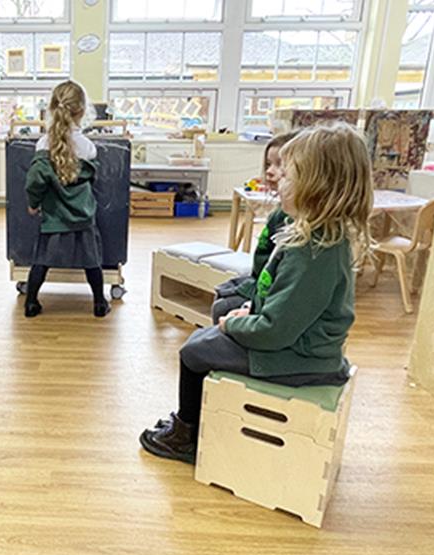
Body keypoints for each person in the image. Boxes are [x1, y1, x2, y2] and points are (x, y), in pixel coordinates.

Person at [140, 123, 373, 464]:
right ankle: (205, 417)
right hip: (298, 344)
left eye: (289, 175)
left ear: (317, 187)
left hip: (301, 357)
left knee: (194, 351)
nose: (278, 182)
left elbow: (276, 330)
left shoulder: (314, 250)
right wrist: (250, 308)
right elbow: (281, 299)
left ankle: (186, 434)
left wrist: (233, 326)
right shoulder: (310, 236)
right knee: (213, 330)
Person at [23, 80, 109, 318]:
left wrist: (33, 204)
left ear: (52, 108)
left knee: (41, 259)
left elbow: (35, 181)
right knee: (92, 260)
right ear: (81, 111)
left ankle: (31, 302)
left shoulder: (43, 144)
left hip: (54, 216)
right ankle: (100, 303)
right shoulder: (88, 147)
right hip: (82, 216)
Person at [211, 131, 297, 323]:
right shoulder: (280, 212)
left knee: (223, 306)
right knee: (222, 292)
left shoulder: (292, 216)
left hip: (269, 289)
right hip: (260, 279)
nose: (270, 171)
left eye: (279, 165)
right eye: (268, 164)